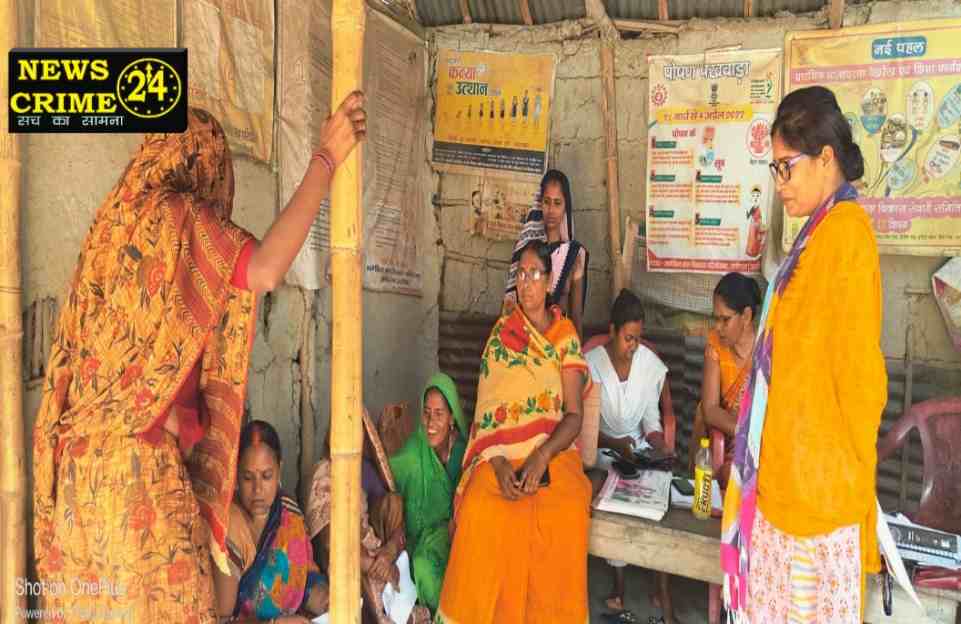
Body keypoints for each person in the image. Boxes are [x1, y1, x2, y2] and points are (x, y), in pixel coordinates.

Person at [31, 94, 367, 621]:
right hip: (139, 482)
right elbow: (265, 269)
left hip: (77, 485)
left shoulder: (109, 230)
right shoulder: (177, 217)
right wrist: (325, 159)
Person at [721, 85, 887, 623]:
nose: (780, 183)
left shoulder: (847, 237)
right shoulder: (816, 235)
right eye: (775, 169)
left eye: (786, 167)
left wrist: (856, 483)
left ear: (826, 158)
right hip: (787, 484)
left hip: (819, 497)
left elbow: (858, 377)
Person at [437, 240, 592, 624]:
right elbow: (487, 413)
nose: (526, 283)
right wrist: (499, 462)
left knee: (565, 511)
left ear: (549, 280)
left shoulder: (565, 336)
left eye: (534, 273)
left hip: (552, 451)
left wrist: (541, 457)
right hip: (500, 452)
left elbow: (574, 416)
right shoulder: (502, 334)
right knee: (480, 506)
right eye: (520, 274)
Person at [585, 289, 674, 623]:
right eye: (628, 338)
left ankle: (661, 586)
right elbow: (586, 427)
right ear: (612, 331)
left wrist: (659, 447)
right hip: (602, 448)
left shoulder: (647, 365)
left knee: (659, 492)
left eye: (637, 338)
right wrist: (616, 444)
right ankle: (619, 582)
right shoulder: (591, 364)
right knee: (614, 487)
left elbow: (652, 421)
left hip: (636, 449)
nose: (634, 346)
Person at [306, 415, 428, 624]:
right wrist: (375, 565)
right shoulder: (324, 472)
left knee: (394, 501)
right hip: (345, 556)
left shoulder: (362, 468)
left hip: (373, 549)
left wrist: (389, 551)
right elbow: (329, 541)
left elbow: (391, 509)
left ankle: (393, 606)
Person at [214, 421, 327, 622]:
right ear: (236, 475)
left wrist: (322, 597)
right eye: (248, 478)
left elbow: (304, 574)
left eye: (266, 476)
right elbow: (221, 620)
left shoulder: (288, 512)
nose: (258, 489)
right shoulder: (230, 528)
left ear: (279, 470)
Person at [389, 373, 468, 616]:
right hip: (421, 540)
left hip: (457, 533)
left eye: (439, 414)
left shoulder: (465, 454)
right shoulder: (414, 451)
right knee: (422, 565)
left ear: (452, 418)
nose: (430, 422)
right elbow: (388, 475)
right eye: (426, 413)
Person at [691, 272, 760, 488]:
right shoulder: (715, 344)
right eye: (716, 318)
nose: (718, 327)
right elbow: (710, 408)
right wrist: (745, 432)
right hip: (732, 433)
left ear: (746, 316)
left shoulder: (767, 349)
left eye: (725, 319)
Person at [503, 169, 589, 337]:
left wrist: (576, 350)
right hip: (526, 341)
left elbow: (576, 316)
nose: (551, 210)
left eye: (557, 203)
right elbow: (510, 307)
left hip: (559, 343)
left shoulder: (573, 255)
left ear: (566, 207)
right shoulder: (526, 253)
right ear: (539, 204)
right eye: (546, 202)